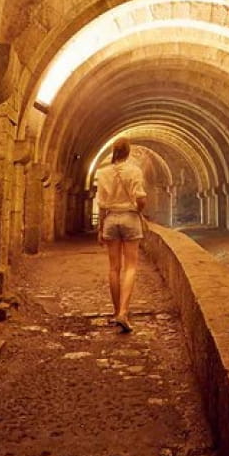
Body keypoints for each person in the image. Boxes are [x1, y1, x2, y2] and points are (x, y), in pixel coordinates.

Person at [93, 138, 148, 332]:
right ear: (128, 152)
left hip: (110, 219)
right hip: (130, 218)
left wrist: (100, 228)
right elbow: (140, 198)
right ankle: (124, 312)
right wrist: (139, 210)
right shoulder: (134, 171)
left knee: (113, 268)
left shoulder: (102, 173)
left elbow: (100, 204)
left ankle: (116, 312)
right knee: (130, 266)